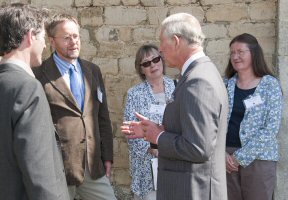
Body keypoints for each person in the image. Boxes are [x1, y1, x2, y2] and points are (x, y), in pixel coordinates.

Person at [121, 13, 228, 200]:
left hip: (192, 190)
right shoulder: (198, 74)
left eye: (162, 43)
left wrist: (158, 136)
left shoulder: (198, 81)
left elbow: (198, 148)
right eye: (147, 63)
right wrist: (156, 130)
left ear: (176, 41)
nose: (160, 50)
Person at [33, 13, 116, 200]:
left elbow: (102, 117)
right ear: (52, 42)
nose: (73, 42)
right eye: (66, 37)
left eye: (76, 36)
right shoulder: (38, 75)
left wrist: (108, 157)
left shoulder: (93, 71)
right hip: (58, 170)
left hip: (92, 167)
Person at [0, 3, 70, 200]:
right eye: (41, 37)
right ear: (30, 36)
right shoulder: (27, 88)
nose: (45, 45)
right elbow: (39, 170)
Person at [224, 33, 282, 200]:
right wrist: (222, 154)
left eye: (240, 52)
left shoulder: (270, 84)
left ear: (254, 53)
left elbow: (270, 128)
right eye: (232, 53)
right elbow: (214, 121)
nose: (235, 56)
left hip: (259, 158)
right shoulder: (226, 84)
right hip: (226, 159)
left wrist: (239, 158)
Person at [124, 44, 175, 200]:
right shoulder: (134, 94)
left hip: (174, 160)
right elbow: (129, 130)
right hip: (147, 166)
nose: (153, 65)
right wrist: (152, 148)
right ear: (141, 69)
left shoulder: (177, 87)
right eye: (146, 63)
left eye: (156, 59)